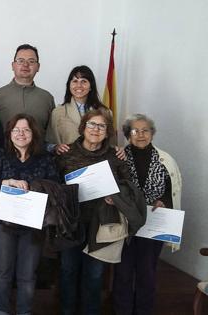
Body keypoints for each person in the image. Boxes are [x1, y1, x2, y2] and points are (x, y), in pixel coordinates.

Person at [56, 108, 130, 315]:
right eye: (92, 124)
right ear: (83, 127)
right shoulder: (65, 152)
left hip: (102, 223)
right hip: (71, 221)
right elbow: (54, 183)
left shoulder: (116, 155)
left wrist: (115, 197)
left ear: (107, 131)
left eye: (101, 126)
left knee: (95, 274)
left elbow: (128, 186)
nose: (96, 129)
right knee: (68, 270)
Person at [0, 114, 59, 315]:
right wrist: (6, 182)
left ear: (33, 133)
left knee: (27, 274)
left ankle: (24, 312)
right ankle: (1, 310)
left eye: (26, 130)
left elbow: (55, 186)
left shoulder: (44, 158)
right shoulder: (0, 155)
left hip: (33, 224)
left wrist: (36, 187)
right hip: (3, 223)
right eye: (16, 130)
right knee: (3, 271)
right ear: (9, 134)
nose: (21, 134)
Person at [113, 114, 182, 315]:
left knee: (147, 272)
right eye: (135, 130)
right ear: (128, 135)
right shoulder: (119, 157)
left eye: (145, 130)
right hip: (125, 222)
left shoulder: (165, 159)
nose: (141, 135)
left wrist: (164, 202)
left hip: (154, 221)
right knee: (123, 272)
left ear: (152, 133)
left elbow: (173, 190)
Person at [0, 44, 55, 140]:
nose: (25, 65)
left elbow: (51, 135)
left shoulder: (47, 98)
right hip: (4, 154)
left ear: (38, 67)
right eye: (20, 61)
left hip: (40, 154)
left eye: (31, 61)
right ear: (13, 65)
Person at [47, 65, 110, 154]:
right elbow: (50, 142)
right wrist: (55, 147)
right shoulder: (58, 112)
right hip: (69, 162)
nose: (79, 85)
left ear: (91, 86)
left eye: (84, 81)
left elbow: (111, 144)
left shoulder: (105, 112)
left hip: (98, 162)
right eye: (75, 81)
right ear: (69, 85)